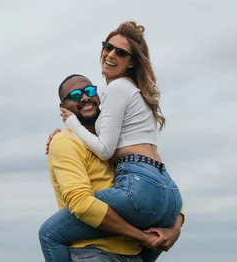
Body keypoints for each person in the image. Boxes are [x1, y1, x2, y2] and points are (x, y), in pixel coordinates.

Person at [39, 22, 184, 262]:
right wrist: (167, 227)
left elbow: (85, 200)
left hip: (140, 197)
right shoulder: (80, 141)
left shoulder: (116, 91)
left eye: (90, 91)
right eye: (108, 47)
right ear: (63, 107)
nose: (84, 97)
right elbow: (158, 189)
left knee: (48, 233)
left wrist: (72, 125)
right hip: (167, 193)